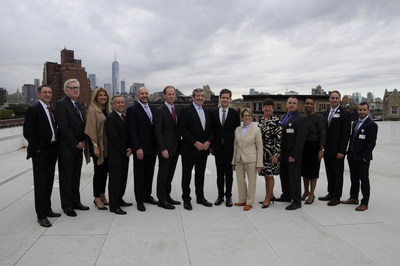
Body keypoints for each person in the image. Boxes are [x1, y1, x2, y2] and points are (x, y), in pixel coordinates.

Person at [23, 85, 61, 227]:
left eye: (49, 92)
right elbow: (28, 132)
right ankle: (41, 215)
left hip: (52, 149)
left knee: (49, 181)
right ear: (39, 94)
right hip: (41, 152)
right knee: (40, 184)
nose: (47, 94)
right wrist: (38, 149)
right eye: (45, 92)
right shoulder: (34, 110)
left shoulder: (50, 110)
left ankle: (48, 209)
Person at [55, 79, 89, 217]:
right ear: (66, 90)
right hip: (67, 148)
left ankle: (76, 202)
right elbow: (64, 127)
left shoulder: (78, 105)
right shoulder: (61, 104)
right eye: (73, 88)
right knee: (66, 177)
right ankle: (67, 205)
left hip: (78, 148)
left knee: (75, 176)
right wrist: (76, 143)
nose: (76, 90)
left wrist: (84, 141)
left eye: (77, 87)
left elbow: (82, 125)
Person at [179, 88, 214, 210]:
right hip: (189, 149)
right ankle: (186, 199)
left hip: (203, 150)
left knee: (200, 175)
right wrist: (195, 143)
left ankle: (200, 197)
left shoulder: (207, 111)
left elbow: (211, 129)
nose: (200, 98)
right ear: (193, 97)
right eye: (198, 96)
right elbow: (182, 129)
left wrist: (209, 142)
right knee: (186, 176)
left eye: (202, 96)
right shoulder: (185, 110)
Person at [126, 87, 158, 212]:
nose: (144, 95)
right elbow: (132, 131)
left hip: (152, 148)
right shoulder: (132, 110)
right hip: (141, 149)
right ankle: (139, 200)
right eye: (142, 93)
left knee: (149, 174)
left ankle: (147, 196)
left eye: (146, 93)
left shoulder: (153, 109)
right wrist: (137, 148)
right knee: (139, 175)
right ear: (137, 95)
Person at [342, 102, 378, 211]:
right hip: (352, 155)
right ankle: (353, 197)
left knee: (364, 179)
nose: (361, 112)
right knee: (354, 178)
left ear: (368, 111)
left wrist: (365, 156)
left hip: (363, 158)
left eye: (364, 110)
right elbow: (353, 138)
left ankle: (365, 202)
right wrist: (349, 152)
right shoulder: (355, 123)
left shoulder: (371, 124)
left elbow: (372, 143)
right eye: (360, 109)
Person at [319, 91, 351, 206]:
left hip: (338, 151)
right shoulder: (325, 113)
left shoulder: (344, 114)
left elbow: (346, 134)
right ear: (329, 99)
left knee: (337, 174)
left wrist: (342, 151)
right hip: (327, 150)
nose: (334, 100)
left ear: (340, 99)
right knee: (329, 173)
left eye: (336, 98)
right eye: (332, 98)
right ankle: (330, 193)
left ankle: (337, 197)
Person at [210, 89, 240, 207]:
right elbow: (212, 131)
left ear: (230, 99)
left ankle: (228, 197)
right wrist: (211, 147)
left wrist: (236, 150)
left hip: (230, 149)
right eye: (223, 97)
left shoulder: (234, 113)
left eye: (227, 98)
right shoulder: (213, 113)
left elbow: (237, 133)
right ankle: (220, 196)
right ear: (219, 99)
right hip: (217, 149)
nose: (225, 100)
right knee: (219, 174)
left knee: (229, 174)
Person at [277, 97, 308, 210]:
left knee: (294, 178)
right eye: (290, 103)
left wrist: (294, 155)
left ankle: (296, 201)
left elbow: (300, 139)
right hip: (283, 154)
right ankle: (286, 195)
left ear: (298, 105)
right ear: (286, 104)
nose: (291, 105)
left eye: (294, 103)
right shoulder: (285, 116)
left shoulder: (301, 118)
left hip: (293, 155)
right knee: (284, 176)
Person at [154, 86, 181, 210]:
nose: (171, 96)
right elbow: (158, 132)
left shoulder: (178, 110)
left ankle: (167, 195)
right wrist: (163, 148)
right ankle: (161, 199)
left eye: (173, 94)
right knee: (163, 174)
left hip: (176, 148)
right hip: (165, 149)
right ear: (164, 96)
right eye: (169, 94)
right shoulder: (160, 111)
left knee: (170, 174)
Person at [84, 87, 111, 210]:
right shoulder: (92, 109)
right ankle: (96, 198)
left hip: (107, 146)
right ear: (96, 97)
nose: (102, 97)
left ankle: (102, 194)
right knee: (99, 172)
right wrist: (95, 146)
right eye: (100, 95)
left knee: (105, 172)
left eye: (104, 95)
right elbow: (90, 129)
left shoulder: (108, 110)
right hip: (97, 145)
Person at [232, 108, 263, 211]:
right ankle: (242, 200)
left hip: (251, 159)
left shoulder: (256, 130)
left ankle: (249, 202)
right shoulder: (237, 129)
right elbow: (235, 146)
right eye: (245, 115)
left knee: (252, 182)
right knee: (240, 181)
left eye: (249, 115)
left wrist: (259, 164)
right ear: (242, 117)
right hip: (239, 159)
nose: (247, 117)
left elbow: (259, 147)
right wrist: (233, 161)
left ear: (251, 116)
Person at [106, 95, 132, 215]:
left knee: (123, 179)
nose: (121, 104)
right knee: (115, 181)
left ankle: (119, 199)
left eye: (122, 102)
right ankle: (114, 205)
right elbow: (114, 138)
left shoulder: (124, 117)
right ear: (113, 104)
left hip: (125, 154)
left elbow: (128, 135)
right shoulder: (111, 118)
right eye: (118, 103)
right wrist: (124, 151)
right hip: (116, 156)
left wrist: (130, 148)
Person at [301, 98, 326, 205]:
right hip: (303, 146)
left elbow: (323, 133)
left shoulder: (319, 117)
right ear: (304, 105)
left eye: (311, 104)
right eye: (307, 103)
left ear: (313, 105)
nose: (309, 105)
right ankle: (306, 191)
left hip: (314, 146)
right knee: (304, 171)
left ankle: (312, 193)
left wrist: (322, 149)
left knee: (313, 172)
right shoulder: (302, 117)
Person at [258, 98, 282, 208]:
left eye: (269, 107)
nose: (267, 108)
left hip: (272, 153)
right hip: (262, 153)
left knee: (270, 175)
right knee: (265, 175)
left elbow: (279, 139)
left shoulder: (276, 121)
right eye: (266, 106)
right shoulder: (261, 121)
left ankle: (267, 198)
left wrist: (276, 154)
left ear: (273, 109)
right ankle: (270, 195)